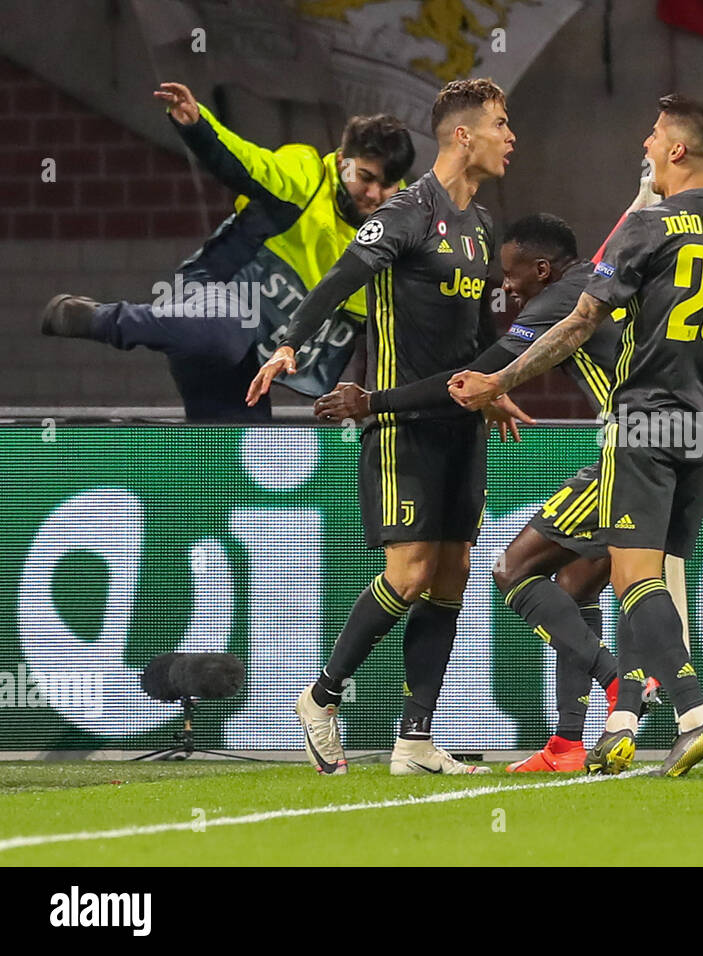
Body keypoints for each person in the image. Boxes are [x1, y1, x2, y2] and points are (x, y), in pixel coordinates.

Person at [450, 94, 703, 778]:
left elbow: (575, 325)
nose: (646, 146)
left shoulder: (647, 227)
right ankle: (632, 721)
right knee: (638, 576)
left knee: (631, 580)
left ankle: (694, 715)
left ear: (678, 150)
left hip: (645, 421)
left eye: (654, 136)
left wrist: (498, 383)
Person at [315, 212, 688, 773]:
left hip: (633, 453)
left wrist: (371, 402)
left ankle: (624, 688)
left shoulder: (559, 299)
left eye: (511, 275)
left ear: (541, 269)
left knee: (513, 568)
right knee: (576, 583)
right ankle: (568, 744)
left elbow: (469, 378)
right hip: (682, 443)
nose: (505, 287)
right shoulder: (608, 279)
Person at [246, 77, 519, 776]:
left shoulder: (485, 228)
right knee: (410, 571)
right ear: (463, 134)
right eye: (499, 123)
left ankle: (414, 739)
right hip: (401, 429)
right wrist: (289, 343)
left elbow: (484, 334)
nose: (510, 136)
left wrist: (496, 387)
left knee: (453, 574)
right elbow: (340, 277)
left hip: (462, 427)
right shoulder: (405, 213)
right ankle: (320, 696)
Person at [40, 81, 413, 421]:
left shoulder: (395, 239)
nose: (374, 195)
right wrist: (198, 126)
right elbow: (245, 163)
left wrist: (374, 409)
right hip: (211, 298)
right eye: (365, 177)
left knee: (235, 463)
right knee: (227, 332)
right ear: (342, 161)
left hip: (248, 366)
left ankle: (178, 481)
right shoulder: (305, 177)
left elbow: (383, 339)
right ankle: (102, 320)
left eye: (387, 185)